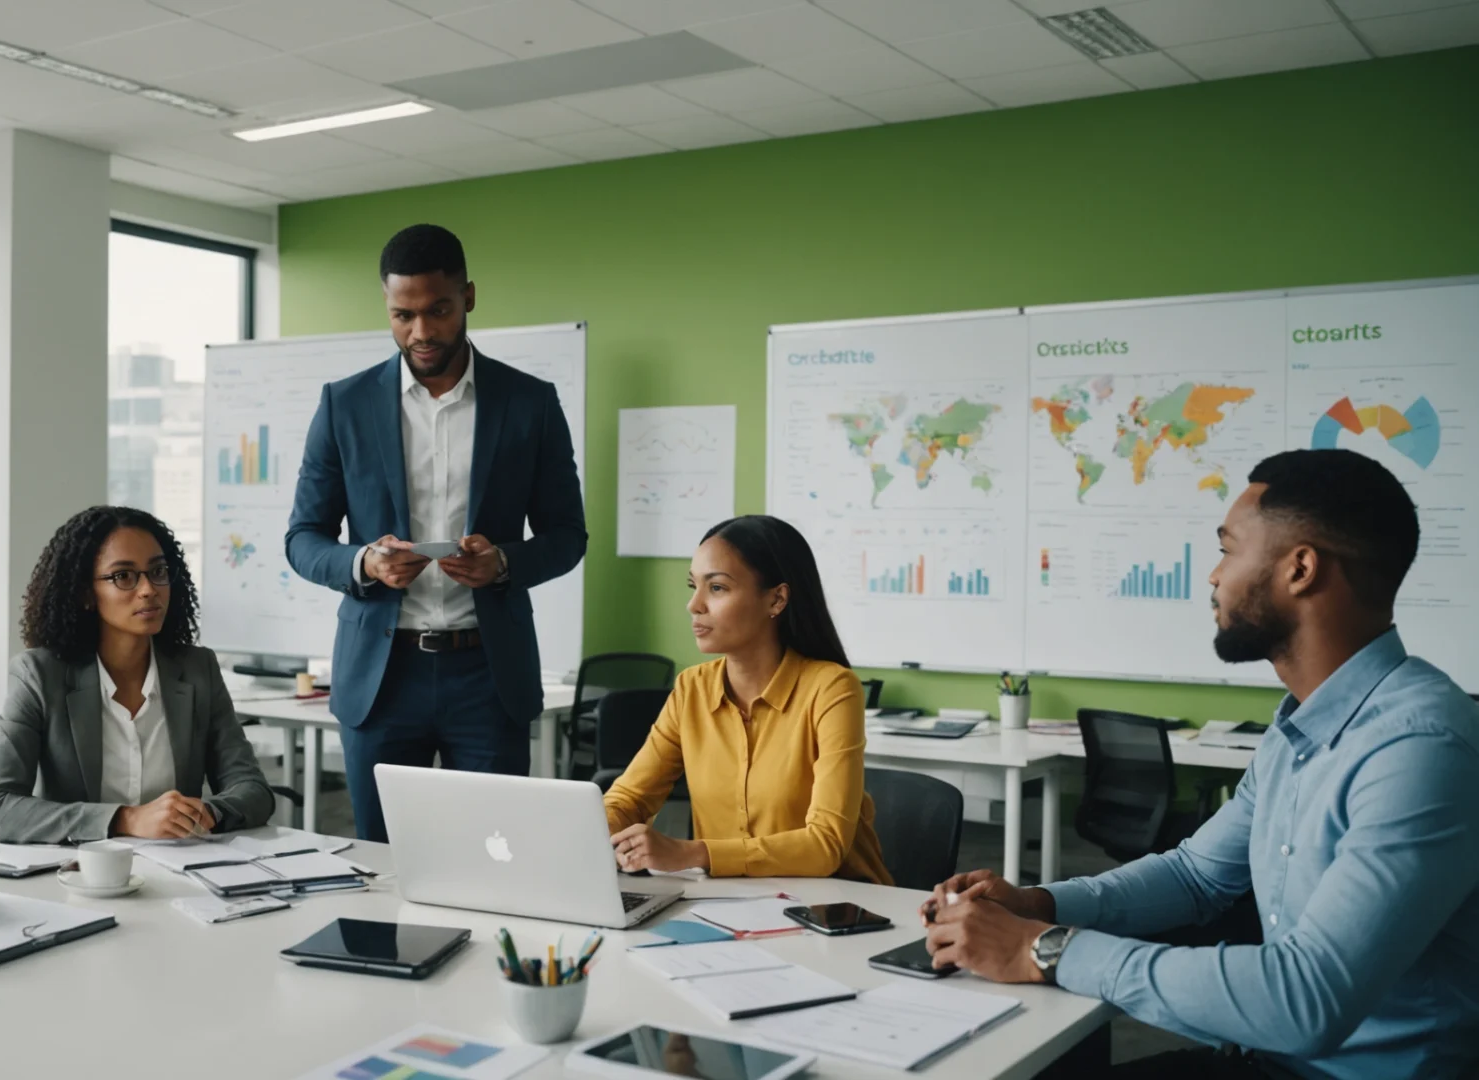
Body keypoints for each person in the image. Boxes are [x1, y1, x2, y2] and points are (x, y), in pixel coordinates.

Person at [919, 449, 1479, 1079]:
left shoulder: (1420, 745)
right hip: (1270, 1059)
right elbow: (1195, 875)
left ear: (1300, 569)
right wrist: (1040, 904)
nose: (1213, 576)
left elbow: (1309, 997)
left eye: (1227, 549)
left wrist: (1044, 949)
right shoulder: (1300, 721)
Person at [286, 224, 587, 842]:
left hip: (488, 677)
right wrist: (364, 562)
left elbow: (566, 535)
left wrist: (503, 563)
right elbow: (304, 538)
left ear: (468, 297)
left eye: (438, 311)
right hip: (381, 676)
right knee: (377, 864)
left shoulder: (530, 403)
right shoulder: (344, 405)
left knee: (493, 862)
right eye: (402, 315)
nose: (420, 332)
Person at [602, 516, 891, 883]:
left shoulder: (832, 688)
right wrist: (594, 830)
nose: (694, 605)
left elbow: (825, 845)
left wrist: (692, 853)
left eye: (717, 588)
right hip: (731, 907)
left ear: (776, 598)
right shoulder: (692, 688)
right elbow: (629, 799)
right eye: (694, 586)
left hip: (838, 909)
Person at [0, 507, 274, 842]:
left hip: (182, 871)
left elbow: (253, 790)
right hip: (78, 876)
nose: (149, 589)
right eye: (124, 576)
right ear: (87, 593)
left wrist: (207, 813)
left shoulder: (197, 669)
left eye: (158, 571)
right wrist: (126, 820)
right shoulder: (40, 675)